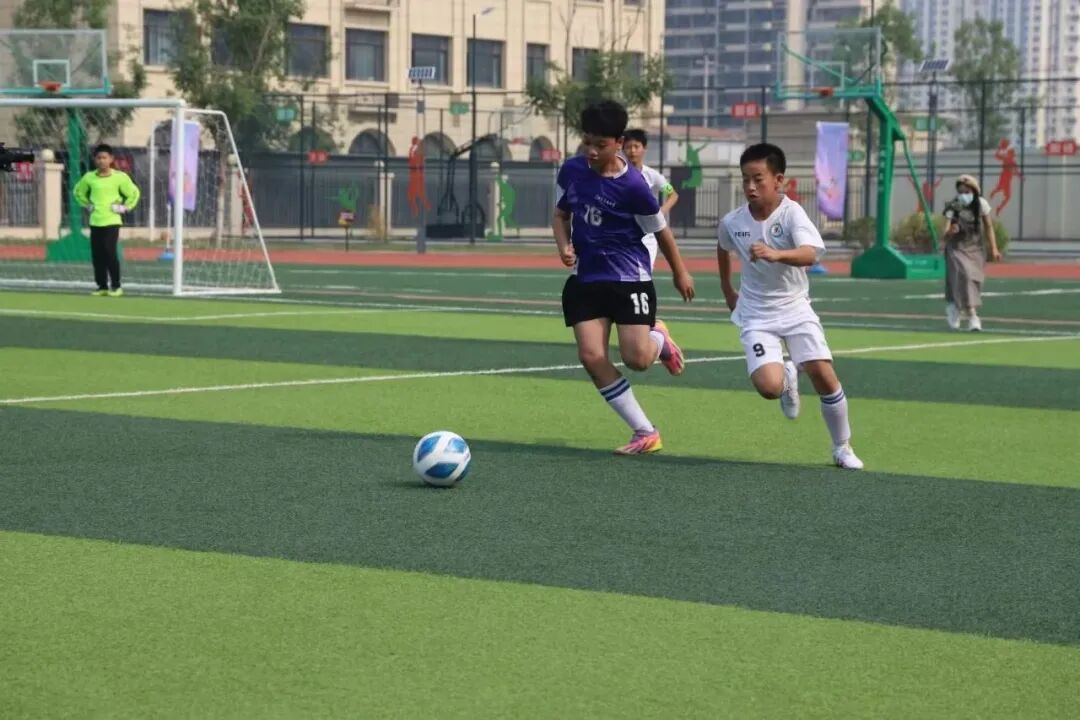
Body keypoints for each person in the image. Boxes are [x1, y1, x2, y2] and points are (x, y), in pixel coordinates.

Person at [553, 100, 696, 455]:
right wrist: (564, 245)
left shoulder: (633, 186)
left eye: (600, 144)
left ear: (618, 143)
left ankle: (659, 339)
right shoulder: (572, 170)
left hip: (629, 280)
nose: (591, 151)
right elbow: (560, 215)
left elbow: (661, 232)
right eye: (587, 142)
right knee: (591, 355)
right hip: (586, 279)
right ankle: (645, 432)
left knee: (638, 360)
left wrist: (680, 272)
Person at [717, 143, 863, 470]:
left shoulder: (792, 213)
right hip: (756, 314)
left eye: (758, 179)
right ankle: (786, 378)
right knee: (769, 388)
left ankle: (842, 447)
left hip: (795, 308)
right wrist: (727, 288)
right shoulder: (732, 221)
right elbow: (723, 247)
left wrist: (776, 253)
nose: (750, 186)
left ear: (778, 179)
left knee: (822, 373)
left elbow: (811, 253)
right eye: (745, 179)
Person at [73, 144, 140, 296]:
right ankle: (102, 286)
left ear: (111, 159)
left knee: (110, 252)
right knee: (97, 255)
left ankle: (116, 286)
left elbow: (134, 193)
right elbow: (78, 192)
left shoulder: (120, 177)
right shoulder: (89, 177)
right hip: (96, 221)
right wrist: (86, 204)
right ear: (95, 160)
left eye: (104, 158)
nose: (101, 161)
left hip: (112, 221)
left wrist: (124, 207)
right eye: (99, 158)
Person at [943, 174, 1002, 332]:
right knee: (964, 275)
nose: (964, 195)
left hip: (975, 247)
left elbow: (988, 227)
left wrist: (994, 248)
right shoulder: (954, 205)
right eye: (961, 192)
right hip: (956, 247)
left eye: (967, 192)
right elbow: (944, 233)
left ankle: (954, 306)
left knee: (974, 280)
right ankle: (972, 317)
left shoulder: (981, 204)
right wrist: (950, 231)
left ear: (974, 191)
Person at [622, 128, 679, 270]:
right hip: (623, 233)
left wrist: (662, 211)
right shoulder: (617, 174)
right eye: (628, 147)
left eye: (636, 146)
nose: (632, 151)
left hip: (647, 235)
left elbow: (673, 194)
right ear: (622, 149)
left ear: (644, 148)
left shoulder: (653, 176)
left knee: (644, 273)